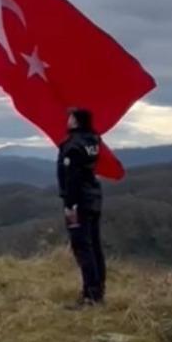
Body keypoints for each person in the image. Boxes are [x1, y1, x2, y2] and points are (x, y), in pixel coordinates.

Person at [57, 108, 106, 307]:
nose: (67, 119)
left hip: (79, 201)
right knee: (94, 246)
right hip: (93, 197)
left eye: (70, 117)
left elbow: (72, 178)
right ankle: (98, 291)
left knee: (82, 247)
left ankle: (90, 296)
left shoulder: (72, 145)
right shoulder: (93, 140)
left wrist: (70, 205)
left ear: (76, 121)